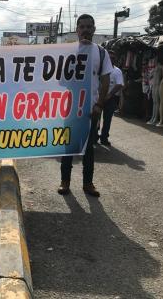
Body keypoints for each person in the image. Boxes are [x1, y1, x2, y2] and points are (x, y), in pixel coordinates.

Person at [58, 14, 113, 197]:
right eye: (82, 27)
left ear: (94, 29)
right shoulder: (69, 52)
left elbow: (105, 81)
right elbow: (60, 80)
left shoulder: (101, 52)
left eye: (89, 27)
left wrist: (99, 104)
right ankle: (65, 182)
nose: (85, 30)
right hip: (71, 107)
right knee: (68, 146)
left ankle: (88, 183)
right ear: (77, 30)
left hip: (92, 109)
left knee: (89, 148)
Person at [98, 51, 124, 145]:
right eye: (109, 58)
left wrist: (109, 95)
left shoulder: (117, 71)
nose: (111, 60)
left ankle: (104, 138)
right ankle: (94, 137)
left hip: (110, 99)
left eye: (113, 58)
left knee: (107, 119)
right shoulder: (99, 69)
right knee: (96, 118)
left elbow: (119, 84)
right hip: (98, 97)